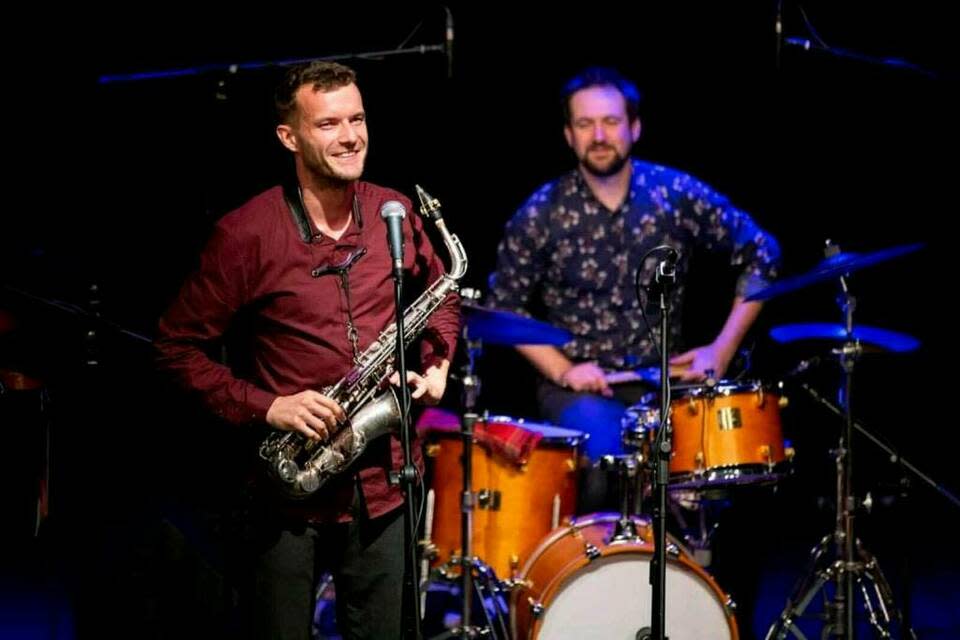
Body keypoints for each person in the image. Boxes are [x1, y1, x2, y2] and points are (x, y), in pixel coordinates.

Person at [155, 60, 460, 640]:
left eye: (357, 119)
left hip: (386, 484)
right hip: (286, 493)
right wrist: (270, 406)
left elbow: (441, 293)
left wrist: (435, 363)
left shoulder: (394, 212)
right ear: (288, 137)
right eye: (328, 124)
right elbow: (176, 350)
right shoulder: (246, 233)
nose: (350, 137)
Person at [488, 65, 780, 462]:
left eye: (611, 122)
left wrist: (722, 350)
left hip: (668, 381)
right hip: (581, 388)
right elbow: (502, 305)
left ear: (635, 128)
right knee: (607, 460)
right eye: (585, 124)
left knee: (717, 460)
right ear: (569, 135)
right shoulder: (541, 212)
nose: (599, 136)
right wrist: (562, 370)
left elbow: (763, 251)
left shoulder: (673, 194)